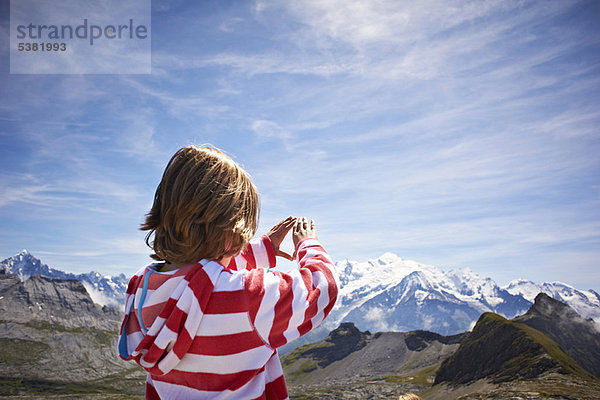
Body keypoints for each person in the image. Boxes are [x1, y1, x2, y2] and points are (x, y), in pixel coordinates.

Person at [118, 146, 339, 399]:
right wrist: (308, 244)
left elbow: (200, 279)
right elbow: (322, 288)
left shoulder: (141, 287)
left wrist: (262, 249)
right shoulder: (248, 300)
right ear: (230, 230)